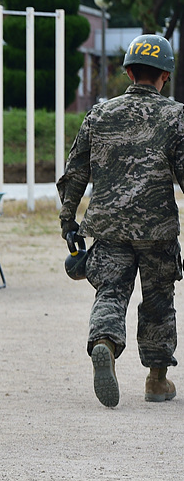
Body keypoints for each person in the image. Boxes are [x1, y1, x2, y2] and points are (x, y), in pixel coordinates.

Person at [58, 33, 184, 408]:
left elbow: (75, 170)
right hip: (157, 230)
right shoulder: (176, 116)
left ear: (128, 71)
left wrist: (69, 220)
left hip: (108, 226)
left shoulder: (100, 113)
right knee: (159, 300)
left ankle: (104, 344)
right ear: (165, 75)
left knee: (110, 292)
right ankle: (157, 380)